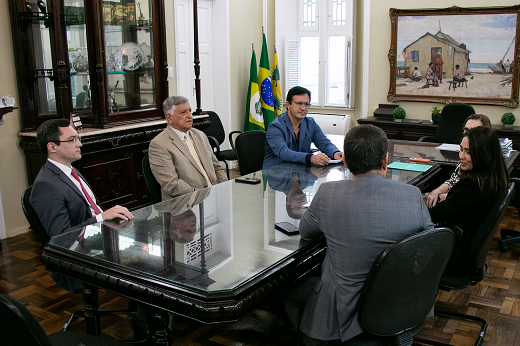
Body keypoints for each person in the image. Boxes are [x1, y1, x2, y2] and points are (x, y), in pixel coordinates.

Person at [282, 124, 433, 344]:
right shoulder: (413, 195)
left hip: (340, 305)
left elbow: (305, 232)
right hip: (395, 303)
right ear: (385, 160)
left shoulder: (327, 194)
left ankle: (317, 337)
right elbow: (429, 244)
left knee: (285, 290)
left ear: (345, 162)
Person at [29, 119, 134, 293]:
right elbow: (61, 236)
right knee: (143, 262)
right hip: (81, 254)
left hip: (101, 236)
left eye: (78, 138)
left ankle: (140, 309)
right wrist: (101, 218)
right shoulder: (46, 185)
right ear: (52, 147)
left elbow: (91, 209)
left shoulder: (71, 170)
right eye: (72, 140)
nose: (79, 144)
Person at [429, 127, 509, 274]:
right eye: (461, 149)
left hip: (454, 253)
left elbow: (435, 215)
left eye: (469, 152)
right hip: (465, 244)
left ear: (484, 154)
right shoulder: (495, 177)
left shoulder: (471, 186)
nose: (462, 156)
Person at [148, 96, 227, 200]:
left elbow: (217, 167)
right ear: (169, 117)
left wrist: (223, 189)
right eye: (183, 112)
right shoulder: (159, 144)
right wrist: (203, 198)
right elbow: (172, 185)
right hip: (185, 205)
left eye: (190, 111)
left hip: (215, 197)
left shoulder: (200, 135)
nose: (189, 116)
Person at [262, 86, 343, 169]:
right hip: (276, 174)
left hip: (300, 172)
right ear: (288, 104)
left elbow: (324, 143)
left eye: (306, 104)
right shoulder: (276, 126)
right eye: (299, 103)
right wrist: (310, 158)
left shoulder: (310, 123)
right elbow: (283, 153)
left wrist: (335, 152)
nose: (303, 108)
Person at [425, 114, 492, 207]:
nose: (467, 134)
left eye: (473, 131)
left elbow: (462, 197)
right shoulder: (465, 158)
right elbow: (451, 182)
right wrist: (435, 192)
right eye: (466, 130)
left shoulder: (478, 171)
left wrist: (444, 197)